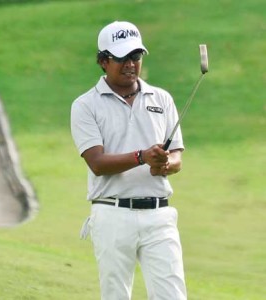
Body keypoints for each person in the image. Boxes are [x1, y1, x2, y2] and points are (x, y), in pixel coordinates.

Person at [71, 20, 187, 300]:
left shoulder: (162, 98)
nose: (130, 64)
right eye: (121, 58)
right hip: (112, 213)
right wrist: (142, 157)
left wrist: (164, 164)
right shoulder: (86, 105)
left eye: (135, 57)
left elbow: (177, 157)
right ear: (102, 61)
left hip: (159, 214)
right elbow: (97, 163)